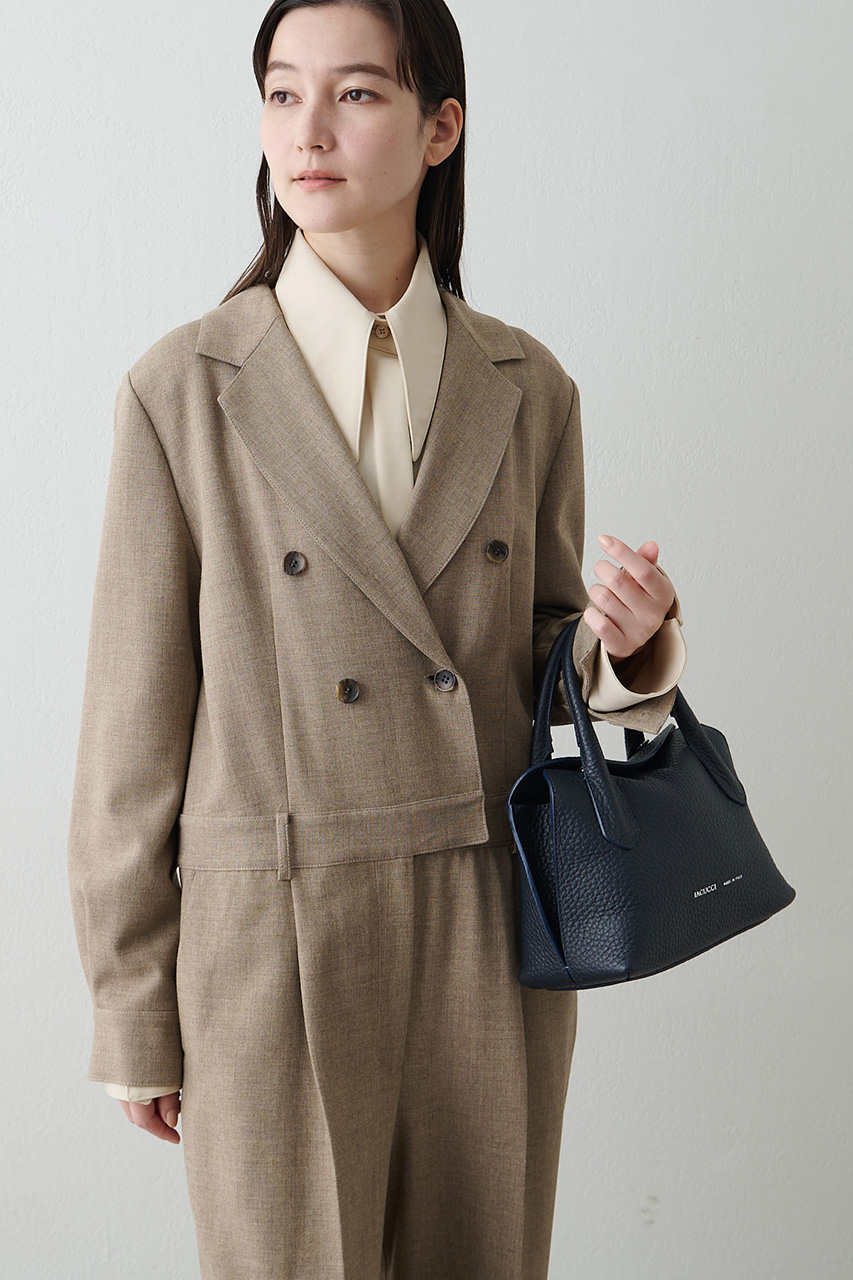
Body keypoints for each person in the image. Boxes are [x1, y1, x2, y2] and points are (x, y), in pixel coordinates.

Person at [67, 1, 687, 1276]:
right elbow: (131, 731)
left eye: (354, 93)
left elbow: (531, 655)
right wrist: (133, 1006)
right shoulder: (184, 389)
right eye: (281, 93)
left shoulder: (527, 386)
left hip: (485, 912)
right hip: (274, 923)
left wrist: (626, 647)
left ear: (438, 127)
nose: (308, 131)